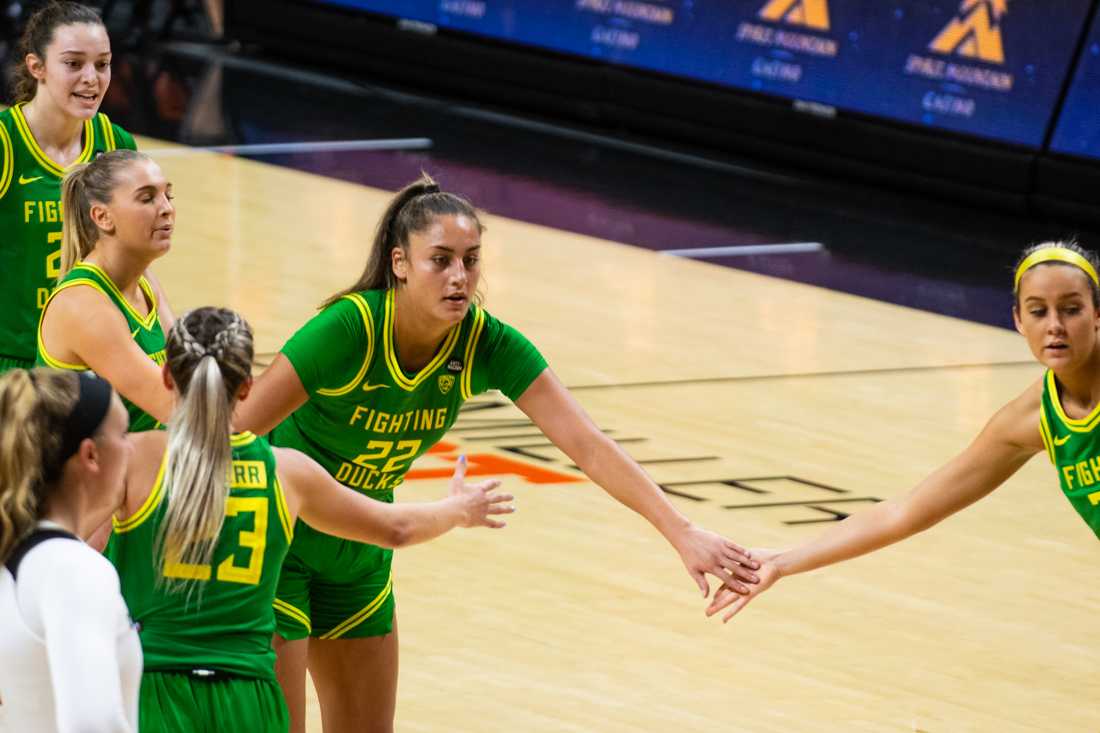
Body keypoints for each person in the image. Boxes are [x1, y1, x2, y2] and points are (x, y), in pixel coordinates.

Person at [235, 174, 760, 732]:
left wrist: (681, 532)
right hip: (277, 545)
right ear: (400, 263)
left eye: (471, 260)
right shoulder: (349, 329)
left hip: (361, 553)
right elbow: (236, 434)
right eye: (440, 260)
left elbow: (588, 444)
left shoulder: (485, 342)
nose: (459, 277)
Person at [105, 306, 512, 732]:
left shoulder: (132, 459)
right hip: (251, 698)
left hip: (157, 687)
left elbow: (71, 538)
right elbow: (396, 527)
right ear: (246, 388)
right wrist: (458, 510)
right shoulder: (287, 472)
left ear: (168, 378)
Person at [706, 240, 1100, 623]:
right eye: (1038, 311)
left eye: (1071, 309)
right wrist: (781, 561)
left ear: (1096, 313)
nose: (1055, 326)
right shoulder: (1028, 420)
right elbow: (902, 512)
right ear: (1018, 320)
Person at [0, 368, 142, 732]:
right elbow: (92, 723)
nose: (132, 447)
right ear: (90, 455)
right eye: (123, 434)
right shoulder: (73, 571)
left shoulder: (17, 555)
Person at [0, 2, 138, 375]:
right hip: (12, 361)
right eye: (74, 64)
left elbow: (133, 261)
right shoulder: (6, 142)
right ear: (37, 67)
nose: (92, 78)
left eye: (102, 64)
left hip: (88, 359)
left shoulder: (115, 142)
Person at [37, 148, 176, 432]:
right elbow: (174, 405)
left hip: (134, 464)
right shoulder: (83, 305)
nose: (166, 208)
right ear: (102, 217)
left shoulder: (145, 281)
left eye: (168, 195)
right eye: (147, 198)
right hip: (82, 472)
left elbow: (188, 364)